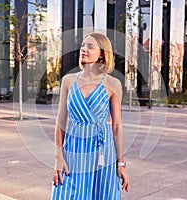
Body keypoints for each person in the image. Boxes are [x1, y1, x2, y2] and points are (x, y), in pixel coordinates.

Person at [51, 32, 129, 199]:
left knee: (101, 194)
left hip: (102, 152)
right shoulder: (68, 80)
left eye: (90, 46)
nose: (83, 49)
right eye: (83, 45)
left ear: (101, 53)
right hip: (73, 149)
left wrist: (121, 163)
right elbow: (60, 122)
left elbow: (117, 126)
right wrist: (58, 156)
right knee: (66, 194)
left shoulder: (113, 84)